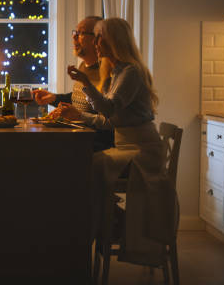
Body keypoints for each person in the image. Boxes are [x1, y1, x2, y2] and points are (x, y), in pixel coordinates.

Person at [67, 17, 175, 266]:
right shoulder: (116, 72)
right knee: (87, 167)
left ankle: (109, 225)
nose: (96, 42)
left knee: (87, 167)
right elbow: (110, 120)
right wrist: (79, 115)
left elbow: (108, 108)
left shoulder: (131, 72)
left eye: (100, 36)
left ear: (114, 41)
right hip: (127, 147)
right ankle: (110, 223)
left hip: (142, 151)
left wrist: (84, 83)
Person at [34, 16, 113, 151]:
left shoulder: (108, 71)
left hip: (96, 141)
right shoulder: (83, 66)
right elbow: (80, 99)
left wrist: (77, 116)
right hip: (78, 135)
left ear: (97, 39)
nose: (74, 37)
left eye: (81, 33)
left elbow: (108, 113)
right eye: (74, 33)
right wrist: (54, 98)